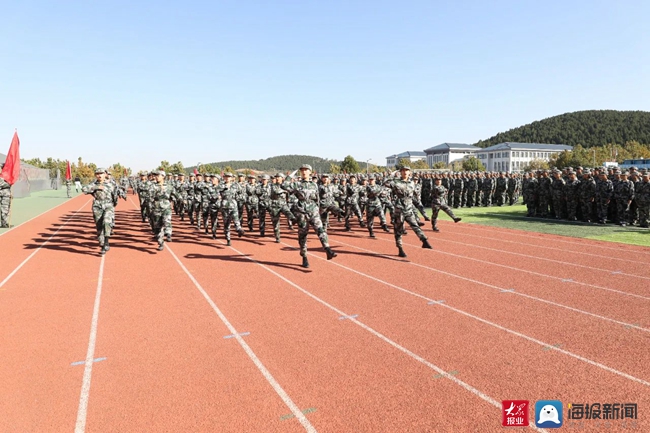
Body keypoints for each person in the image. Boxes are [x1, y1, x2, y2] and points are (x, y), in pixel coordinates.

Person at [283, 164, 337, 268]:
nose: (304, 172)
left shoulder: (314, 185)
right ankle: (304, 256)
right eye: (302, 170)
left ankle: (327, 249)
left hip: (313, 211)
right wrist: (290, 176)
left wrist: (319, 211)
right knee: (303, 236)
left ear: (310, 172)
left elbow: (317, 199)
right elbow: (284, 186)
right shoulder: (297, 185)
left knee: (321, 230)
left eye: (306, 170)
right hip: (302, 213)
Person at [387, 166, 432, 258]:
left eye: (407, 171)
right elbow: (385, 183)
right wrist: (391, 175)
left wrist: (420, 208)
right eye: (403, 171)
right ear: (400, 172)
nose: (405, 172)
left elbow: (414, 196)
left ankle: (424, 240)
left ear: (409, 172)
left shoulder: (412, 183)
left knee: (415, 225)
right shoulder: (396, 182)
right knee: (398, 230)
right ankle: (400, 249)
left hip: (409, 208)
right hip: (399, 209)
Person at [82, 168, 115, 254]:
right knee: (99, 225)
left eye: (101, 173)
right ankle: (102, 243)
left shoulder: (111, 184)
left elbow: (115, 196)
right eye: (97, 174)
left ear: (105, 174)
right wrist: (96, 187)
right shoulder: (93, 184)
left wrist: (113, 205)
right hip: (97, 206)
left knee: (107, 222)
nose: (99, 175)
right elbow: (84, 190)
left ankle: (106, 242)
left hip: (108, 205)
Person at [0, 163, 12, 228]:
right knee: (5, 208)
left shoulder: (6, 175)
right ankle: (4, 223)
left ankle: (4, 222)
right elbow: (3, 184)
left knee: (5, 208)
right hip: (5, 193)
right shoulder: (5, 176)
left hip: (6, 193)